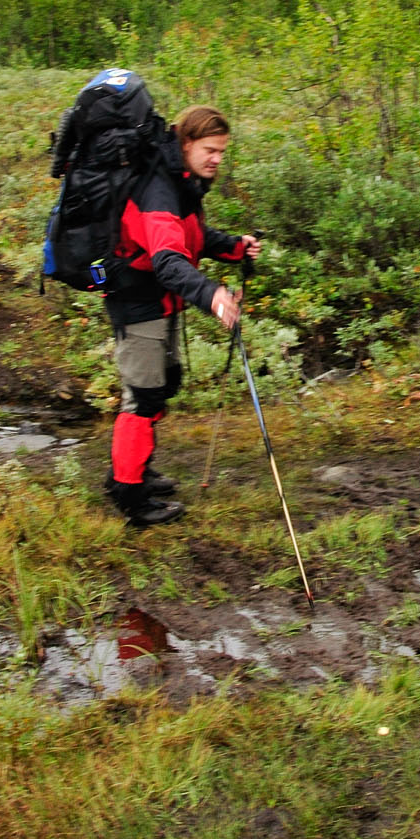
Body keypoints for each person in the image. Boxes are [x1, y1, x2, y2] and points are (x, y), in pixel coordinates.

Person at [102, 104, 260, 527]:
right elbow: (168, 260)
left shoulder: (181, 180)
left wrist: (233, 247)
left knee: (161, 385)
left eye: (223, 152)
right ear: (186, 143)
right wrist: (212, 296)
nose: (217, 159)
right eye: (210, 149)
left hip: (159, 300)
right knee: (142, 396)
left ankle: (136, 470)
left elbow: (192, 236)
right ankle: (130, 496)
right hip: (138, 301)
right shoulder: (159, 189)